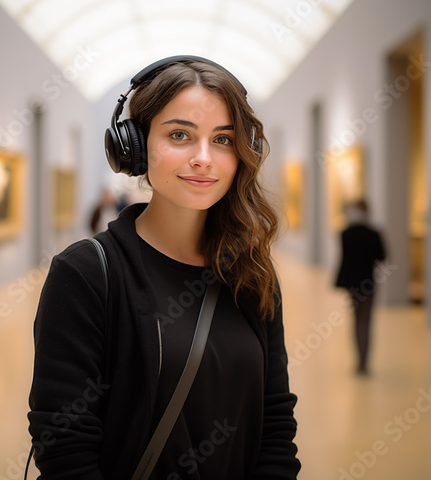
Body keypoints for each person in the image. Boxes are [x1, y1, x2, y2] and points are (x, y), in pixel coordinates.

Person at [27, 56, 301, 479]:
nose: (204, 158)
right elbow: (64, 447)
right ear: (134, 148)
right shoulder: (85, 274)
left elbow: (276, 421)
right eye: (180, 135)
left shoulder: (252, 272)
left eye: (224, 140)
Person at [335, 199, 387, 375]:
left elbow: (345, 258)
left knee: (357, 321)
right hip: (368, 283)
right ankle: (364, 362)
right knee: (366, 321)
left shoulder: (346, 233)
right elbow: (382, 257)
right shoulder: (373, 233)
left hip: (352, 285)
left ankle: (359, 362)